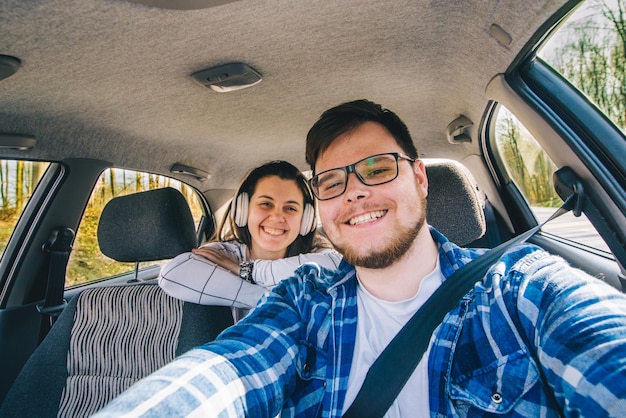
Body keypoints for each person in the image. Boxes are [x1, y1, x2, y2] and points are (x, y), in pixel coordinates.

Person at [94, 100, 626, 417]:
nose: (354, 194)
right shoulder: (303, 304)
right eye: (332, 182)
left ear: (419, 178)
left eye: (376, 169)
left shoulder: (522, 289)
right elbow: (228, 370)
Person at [159, 160, 341, 311]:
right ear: (242, 210)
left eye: (290, 208)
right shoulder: (226, 254)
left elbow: (338, 265)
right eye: (266, 204)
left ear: (306, 220)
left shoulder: (319, 253)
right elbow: (172, 275)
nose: (277, 217)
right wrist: (265, 300)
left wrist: (246, 271)